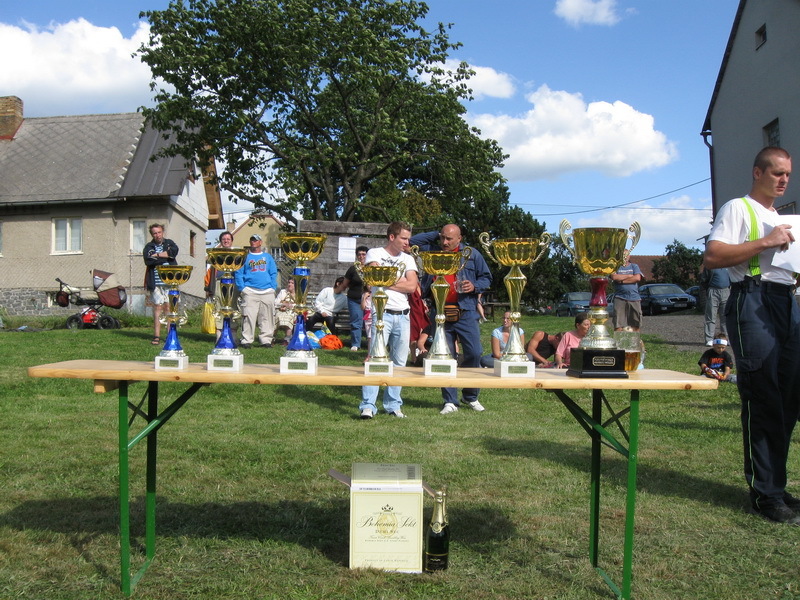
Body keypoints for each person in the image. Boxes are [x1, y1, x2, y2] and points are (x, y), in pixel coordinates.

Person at [704, 146, 800, 525]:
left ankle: (776, 486)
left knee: (789, 398)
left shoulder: (783, 218)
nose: (783, 180)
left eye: (787, 174)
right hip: (752, 299)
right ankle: (765, 495)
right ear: (758, 172)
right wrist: (766, 241)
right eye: (776, 172)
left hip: (787, 301)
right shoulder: (738, 208)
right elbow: (713, 257)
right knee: (763, 395)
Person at [410, 224, 493, 414]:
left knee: (474, 352)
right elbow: (412, 242)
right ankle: (450, 400)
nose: (445, 242)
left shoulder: (471, 254)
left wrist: (474, 286)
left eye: (449, 238)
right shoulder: (432, 250)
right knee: (445, 357)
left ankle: (470, 396)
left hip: (466, 311)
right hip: (439, 311)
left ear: (459, 238)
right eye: (442, 237)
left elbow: (487, 278)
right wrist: (437, 233)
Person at [359, 222, 419, 419]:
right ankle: (368, 405)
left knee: (400, 361)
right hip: (381, 312)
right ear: (392, 237)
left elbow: (412, 286)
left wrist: (385, 279)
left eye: (408, 239)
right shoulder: (374, 253)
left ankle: (393, 404)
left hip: (403, 314)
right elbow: (374, 279)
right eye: (404, 238)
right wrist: (397, 280)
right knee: (375, 358)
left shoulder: (408, 259)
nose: (407, 242)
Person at [234, 234, 278, 349]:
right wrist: (242, 288)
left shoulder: (267, 257)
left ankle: (266, 340)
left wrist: (272, 287)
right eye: (252, 240)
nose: (253, 242)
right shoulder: (245, 257)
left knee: (267, 317)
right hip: (250, 291)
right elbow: (238, 273)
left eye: (256, 240)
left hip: (267, 291)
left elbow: (273, 272)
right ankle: (246, 340)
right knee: (248, 316)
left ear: (260, 242)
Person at [143, 223, 178, 345]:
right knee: (157, 308)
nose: (157, 235)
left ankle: (170, 335)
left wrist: (157, 255)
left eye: (159, 232)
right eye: (155, 233)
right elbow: (148, 260)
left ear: (163, 232)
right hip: (156, 283)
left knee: (169, 307)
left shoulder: (169, 243)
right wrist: (166, 256)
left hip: (170, 282)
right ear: (152, 235)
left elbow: (173, 253)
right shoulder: (149, 246)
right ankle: (156, 336)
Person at [204, 231, 236, 341]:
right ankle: (219, 336)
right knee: (219, 307)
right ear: (221, 241)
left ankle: (233, 336)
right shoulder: (215, 254)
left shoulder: (237, 254)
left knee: (233, 308)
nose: (226, 241)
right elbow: (210, 272)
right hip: (218, 283)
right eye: (224, 239)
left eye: (228, 239)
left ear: (231, 241)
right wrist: (208, 288)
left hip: (233, 283)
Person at [342, 245, 368, 351]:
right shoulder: (352, 269)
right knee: (356, 322)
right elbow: (345, 283)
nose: (361, 256)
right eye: (359, 254)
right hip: (354, 299)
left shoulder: (372, 267)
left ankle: (371, 343)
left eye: (364, 254)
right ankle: (356, 344)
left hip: (368, 299)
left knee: (371, 322)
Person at [611, 253, 643, 331]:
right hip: (620, 298)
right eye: (623, 255)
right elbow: (614, 277)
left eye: (626, 255)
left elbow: (637, 278)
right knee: (618, 324)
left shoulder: (634, 266)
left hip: (634, 298)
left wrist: (621, 281)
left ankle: (635, 338)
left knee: (636, 324)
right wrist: (629, 276)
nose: (625, 257)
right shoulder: (615, 267)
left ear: (629, 256)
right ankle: (618, 339)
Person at [703, 267, 730, 346]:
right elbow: (704, 280)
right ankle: (709, 339)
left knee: (725, 317)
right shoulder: (710, 265)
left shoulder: (729, 264)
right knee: (710, 316)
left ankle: (726, 339)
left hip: (726, 291)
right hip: (713, 291)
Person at [274, 279, 296, 344]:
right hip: (280, 310)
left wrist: (290, 306)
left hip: (292, 312)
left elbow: (298, 305)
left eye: (292, 283)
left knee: (289, 317)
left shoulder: (298, 294)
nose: (289, 284)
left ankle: (287, 339)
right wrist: (282, 305)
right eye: (289, 282)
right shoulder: (283, 292)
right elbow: (276, 302)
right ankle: (272, 338)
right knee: (276, 317)